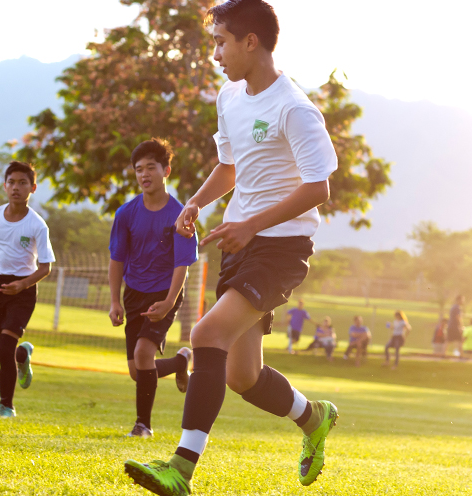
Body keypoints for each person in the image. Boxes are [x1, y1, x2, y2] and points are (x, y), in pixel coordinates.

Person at [123, 1, 340, 491]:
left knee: (205, 336)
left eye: (220, 41)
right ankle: (314, 418)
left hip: (280, 247)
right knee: (243, 377)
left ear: (251, 42)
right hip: (239, 243)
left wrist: (252, 224)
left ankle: (180, 469)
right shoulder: (230, 96)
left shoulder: (296, 109)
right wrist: (195, 203)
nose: (215, 53)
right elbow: (231, 166)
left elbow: (317, 188)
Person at [108, 139, 199, 438]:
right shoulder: (125, 213)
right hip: (133, 293)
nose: (144, 174)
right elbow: (117, 259)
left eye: (151, 167)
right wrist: (114, 302)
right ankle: (180, 361)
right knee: (138, 371)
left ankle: (142, 425)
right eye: (138, 169)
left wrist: (170, 301)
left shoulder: (181, 215)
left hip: (165, 292)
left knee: (144, 352)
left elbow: (182, 264)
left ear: (166, 170)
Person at [0, 161, 54, 418]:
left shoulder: (38, 225)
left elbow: (46, 267)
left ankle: (6, 406)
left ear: (33, 188)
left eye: (22, 183)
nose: (16, 187)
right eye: (11, 182)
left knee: (3, 350)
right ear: (5, 186)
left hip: (23, 291)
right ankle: (21, 354)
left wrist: (22, 285)